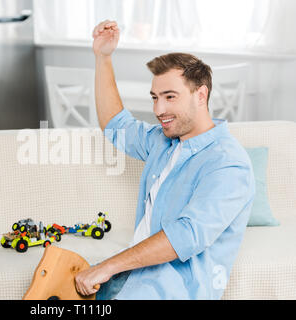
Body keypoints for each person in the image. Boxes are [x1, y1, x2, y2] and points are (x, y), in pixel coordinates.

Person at [74, 20, 256, 300]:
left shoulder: (229, 163)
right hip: (129, 276)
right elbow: (116, 127)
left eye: (170, 97)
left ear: (201, 95)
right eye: (155, 98)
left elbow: (186, 234)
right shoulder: (163, 142)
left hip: (170, 290)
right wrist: (103, 57)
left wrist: (107, 267)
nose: (159, 109)